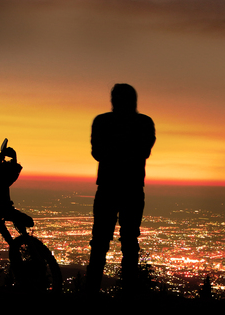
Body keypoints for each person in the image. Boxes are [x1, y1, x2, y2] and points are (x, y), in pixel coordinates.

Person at [86, 83, 156, 294]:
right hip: (132, 188)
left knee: (100, 241)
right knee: (128, 241)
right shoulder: (144, 123)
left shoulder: (102, 122)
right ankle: (129, 293)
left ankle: (91, 291)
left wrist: (113, 152)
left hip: (108, 187)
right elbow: (144, 151)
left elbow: (97, 152)